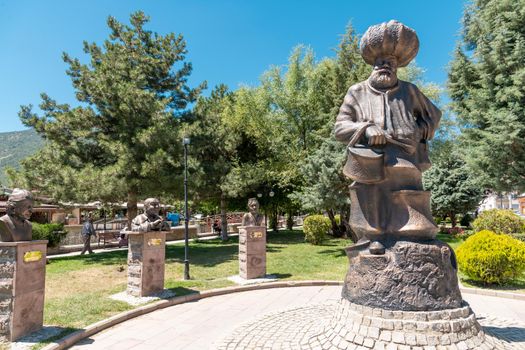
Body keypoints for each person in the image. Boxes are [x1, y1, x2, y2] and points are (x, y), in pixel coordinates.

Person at [334, 20, 441, 254]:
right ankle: (375, 237)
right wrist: (365, 129)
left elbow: (434, 115)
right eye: (380, 62)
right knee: (370, 195)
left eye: (390, 62)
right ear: (373, 64)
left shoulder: (409, 91)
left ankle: (414, 239)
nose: (385, 65)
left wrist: (419, 132)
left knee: (410, 199)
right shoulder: (357, 91)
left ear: (397, 66)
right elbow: (340, 128)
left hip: (405, 158)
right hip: (370, 161)